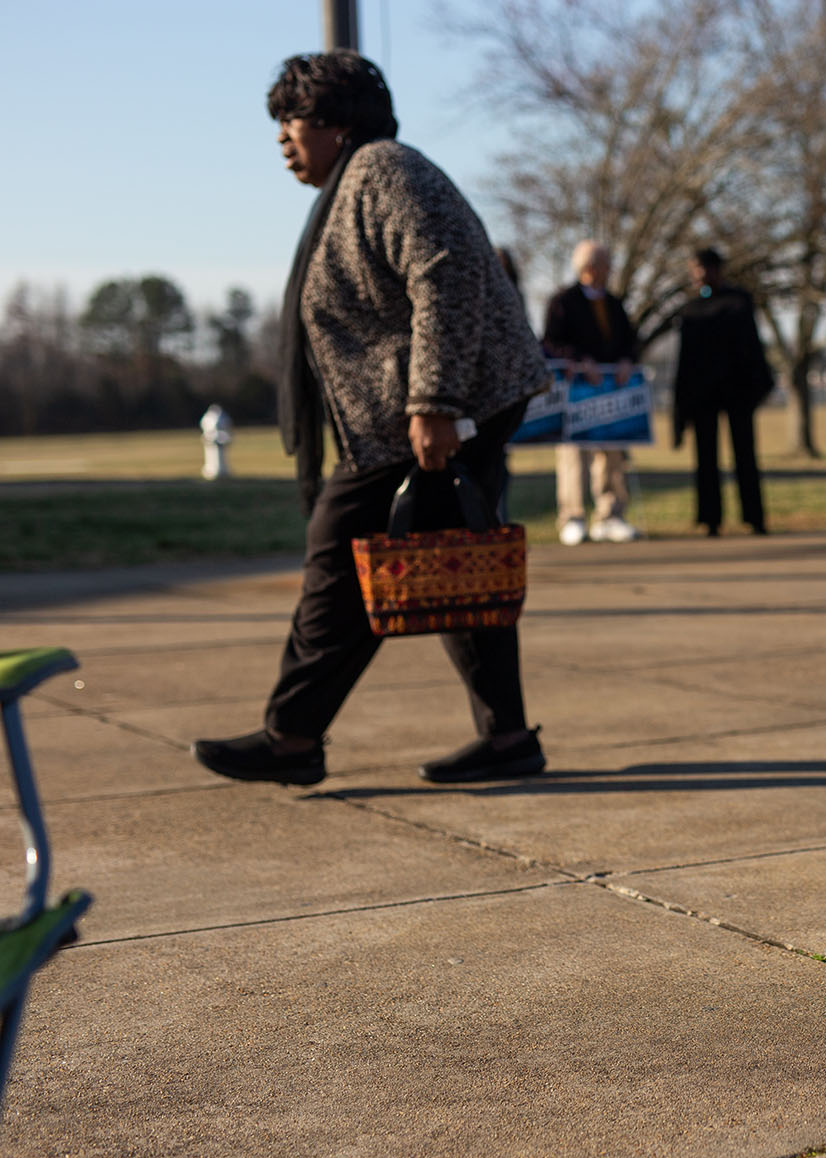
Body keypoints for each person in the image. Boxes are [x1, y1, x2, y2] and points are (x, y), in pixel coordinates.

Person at [192, 50, 550, 787]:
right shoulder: (357, 182)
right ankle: (507, 738)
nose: (282, 138)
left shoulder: (385, 169)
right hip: (429, 412)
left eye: (292, 120)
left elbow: (443, 274)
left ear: (338, 122)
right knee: (452, 566)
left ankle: (292, 738)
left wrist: (433, 403)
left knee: (338, 559)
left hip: (433, 414)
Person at [542, 240, 642, 545]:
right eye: (606, 265)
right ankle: (572, 518)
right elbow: (549, 342)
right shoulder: (563, 300)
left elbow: (629, 340)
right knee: (574, 455)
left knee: (612, 453)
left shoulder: (613, 303)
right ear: (590, 268)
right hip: (575, 393)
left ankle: (610, 515)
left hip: (611, 391)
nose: (610, 271)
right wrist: (578, 360)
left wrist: (627, 360)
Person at [673, 247, 774, 536]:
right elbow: (685, 359)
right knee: (705, 457)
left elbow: (753, 347)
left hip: (737, 391)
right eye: (694, 268)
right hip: (703, 394)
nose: (698, 274)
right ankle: (710, 519)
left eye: (702, 268)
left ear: (716, 269)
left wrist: (758, 385)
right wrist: (683, 402)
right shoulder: (690, 309)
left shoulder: (738, 302)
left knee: (745, 454)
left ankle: (755, 517)